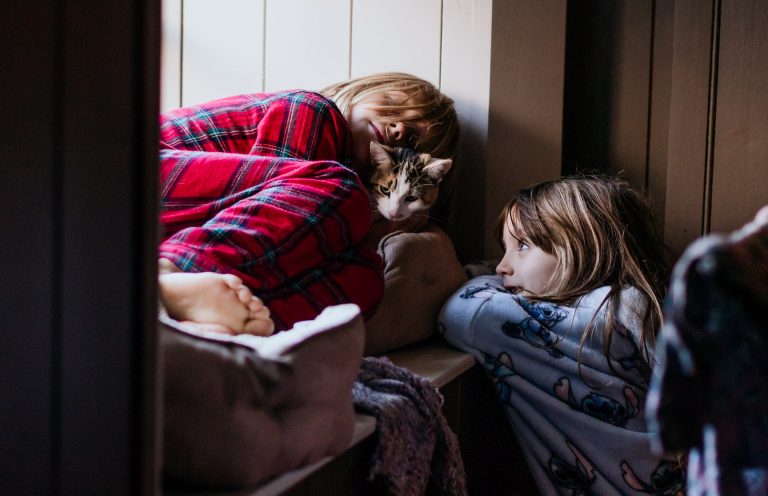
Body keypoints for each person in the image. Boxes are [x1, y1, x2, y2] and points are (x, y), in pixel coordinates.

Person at [157, 72, 460, 336]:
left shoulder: (339, 199)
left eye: (411, 143)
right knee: (342, 188)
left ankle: (235, 324)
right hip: (140, 174)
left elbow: (280, 249)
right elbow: (266, 213)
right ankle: (171, 276)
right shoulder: (312, 111)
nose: (398, 130)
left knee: (366, 276)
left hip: (181, 228)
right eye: (396, 109)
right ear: (364, 89)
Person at [439, 174, 686, 495]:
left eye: (522, 246)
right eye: (505, 249)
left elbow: (461, 312)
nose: (501, 268)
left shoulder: (613, 310)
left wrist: (475, 274)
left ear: (583, 246)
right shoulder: (628, 303)